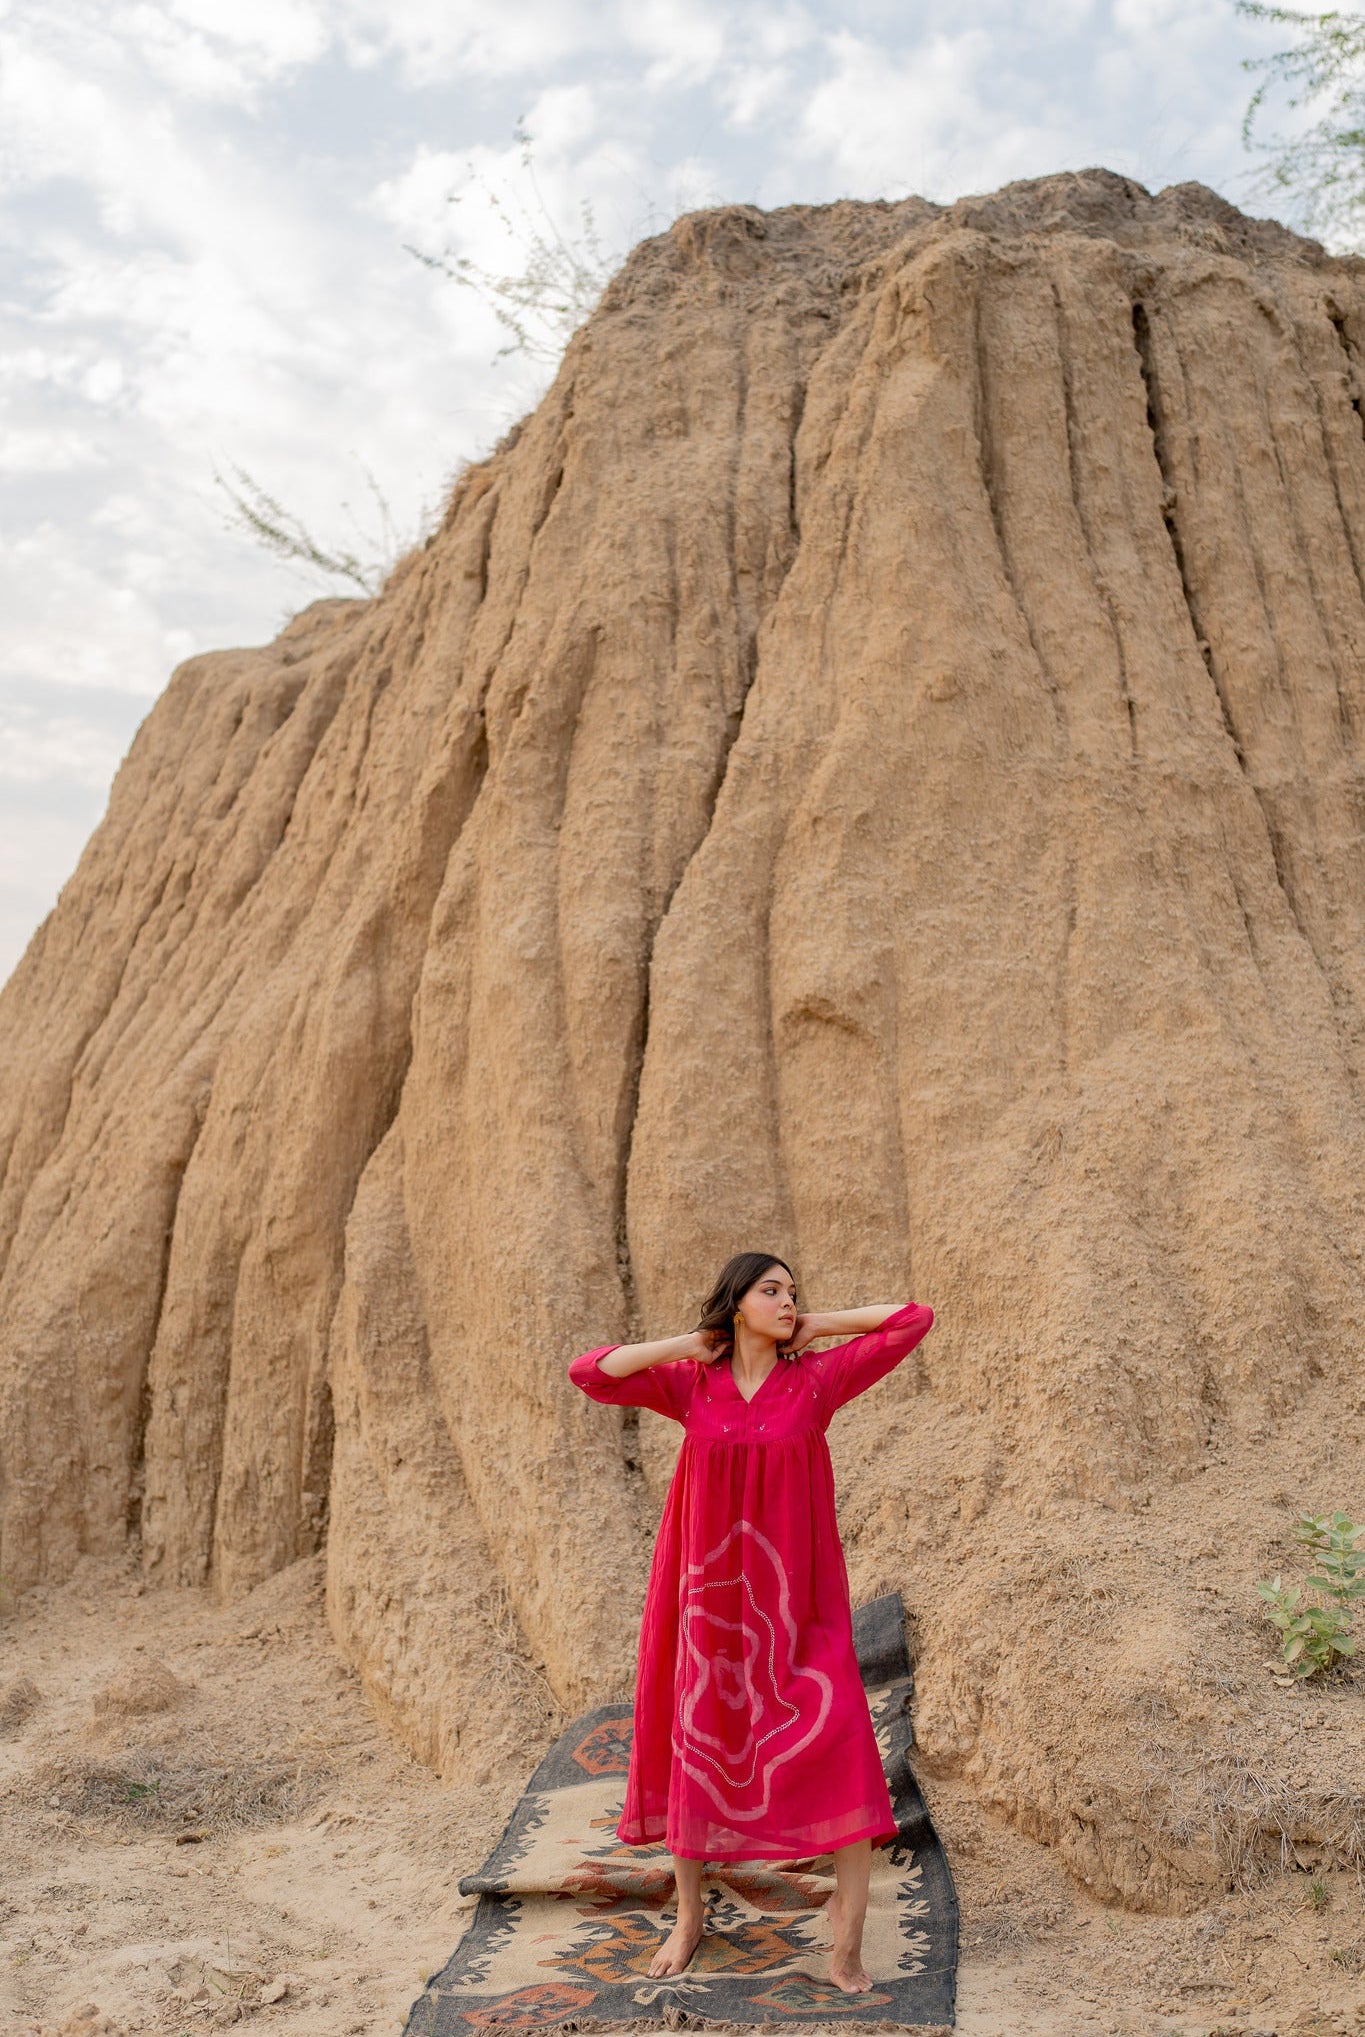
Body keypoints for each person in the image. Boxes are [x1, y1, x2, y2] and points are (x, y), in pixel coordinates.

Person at [568, 1252, 934, 1993]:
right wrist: (683, 1343)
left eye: (793, 1290)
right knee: (698, 1741)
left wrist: (812, 1326)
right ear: (736, 1303)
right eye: (772, 1290)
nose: (787, 1300)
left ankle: (847, 1936)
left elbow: (911, 1320)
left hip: (799, 1603)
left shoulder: (817, 1381)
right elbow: (589, 1371)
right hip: (707, 1596)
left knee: (841, 1742)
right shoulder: (689, 1385)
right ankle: (690, 1913)